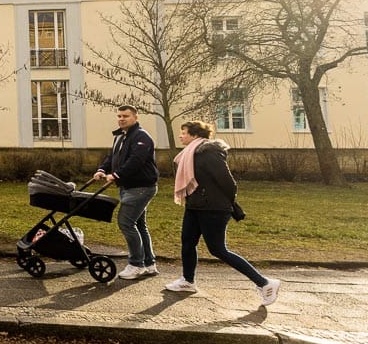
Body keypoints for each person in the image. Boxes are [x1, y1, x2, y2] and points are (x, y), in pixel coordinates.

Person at [166, 120, 280, 305]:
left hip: (213, 209)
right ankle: (188, 281)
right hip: (195, 206)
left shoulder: (208, 152)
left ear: (195, 135)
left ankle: (265, 283)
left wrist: (226, 202)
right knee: (187, 242)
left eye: (184, 133)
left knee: (218, 249)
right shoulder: (189, 154)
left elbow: (228, 182)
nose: (180, 136)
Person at [93, 105, 160, 280]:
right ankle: (149, 263)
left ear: (135, 118)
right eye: (119, 116)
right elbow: (112, 157)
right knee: (139, 225)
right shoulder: (121, 136)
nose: (122, 119)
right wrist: (102, 169)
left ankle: (136, 264)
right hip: (128, 187)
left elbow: (135, 161)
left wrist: (116, 174)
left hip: (141, 188)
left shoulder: (141, 137)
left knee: (126, 223)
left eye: (126, 116)